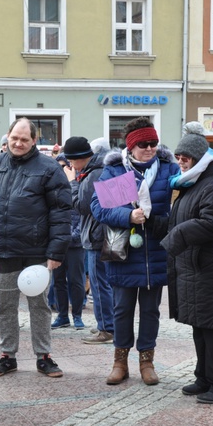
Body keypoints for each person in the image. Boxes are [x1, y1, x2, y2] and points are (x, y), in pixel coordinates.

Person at [0, 117, 72, 379]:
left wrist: (55, 252)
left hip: (36, 252)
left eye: (24, 139)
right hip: (3, 250)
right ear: (8, 136)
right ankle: (7, 355)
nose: (18, 143)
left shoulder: (49, 168)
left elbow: (61, 213)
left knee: (39, 306)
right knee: (4, 307)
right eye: (14, 138)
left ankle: (44, 356)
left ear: (34, 141)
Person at [91, 116, 179, 386]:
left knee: (151, 311)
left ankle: (147, 361)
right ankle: (120, 361)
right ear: (130, 146)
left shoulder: (168, 168)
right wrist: (129, 216)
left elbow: (179, 204)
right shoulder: (118, 171)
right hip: (124, 252)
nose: (150, 148)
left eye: (153, 143)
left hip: (156, 251)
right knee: (122, 309)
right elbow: (99, 208)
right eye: (143, 144)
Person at [160, 127, 213, 404]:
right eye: (179, 156)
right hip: (197, 266)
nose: (181, 161)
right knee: (200, 324)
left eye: (186, 157)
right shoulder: (191, 183)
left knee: (212, 326)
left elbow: (212, 223)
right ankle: (204, 377)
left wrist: (177, 236)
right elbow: (181, 219)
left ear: (199, 158)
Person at [64, 136, 115, 344]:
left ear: (78, 159)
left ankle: (107, 328)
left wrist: (72, 181)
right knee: (103, 283)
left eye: (70, 161)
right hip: (103, 234)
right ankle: (105, 323)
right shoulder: (102, 169)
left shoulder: (94, 173)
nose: (69, 165)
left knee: (99, 284)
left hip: (97, 236)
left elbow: (81, 206)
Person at [50, 153, 86, 330]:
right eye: (60, 166)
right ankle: (62, 315)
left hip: (75, 241)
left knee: (76, 281)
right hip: (57, 240)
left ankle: (77, 315)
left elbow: (80, 208)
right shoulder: (52, 185)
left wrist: (76, 235)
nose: (63, 169)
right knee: (58, 281)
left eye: (66, 166)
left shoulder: (78, 183)